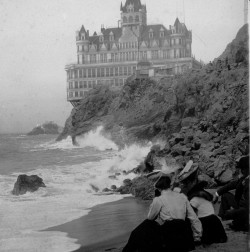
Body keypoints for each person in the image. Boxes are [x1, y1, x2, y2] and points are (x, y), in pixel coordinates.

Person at [122, 175, 202, 252]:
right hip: (184, 233)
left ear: (159, 189)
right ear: (169, 185)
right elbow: (194, 218)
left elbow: (150, 218)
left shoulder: (159, 199)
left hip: (170, 233)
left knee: (146, 225)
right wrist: (197, 236)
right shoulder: (182, 196)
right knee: (186, 219)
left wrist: (154, 204)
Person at [213, 156, 249, 231]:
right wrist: (217, 193)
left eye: (243, 169)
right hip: (242, 204)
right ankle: (223, 219)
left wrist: (235, 212)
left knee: (230, 214)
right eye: (241, 169)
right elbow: (231, 185)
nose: (242, 171)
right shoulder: (244, 179)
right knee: (226, 195)